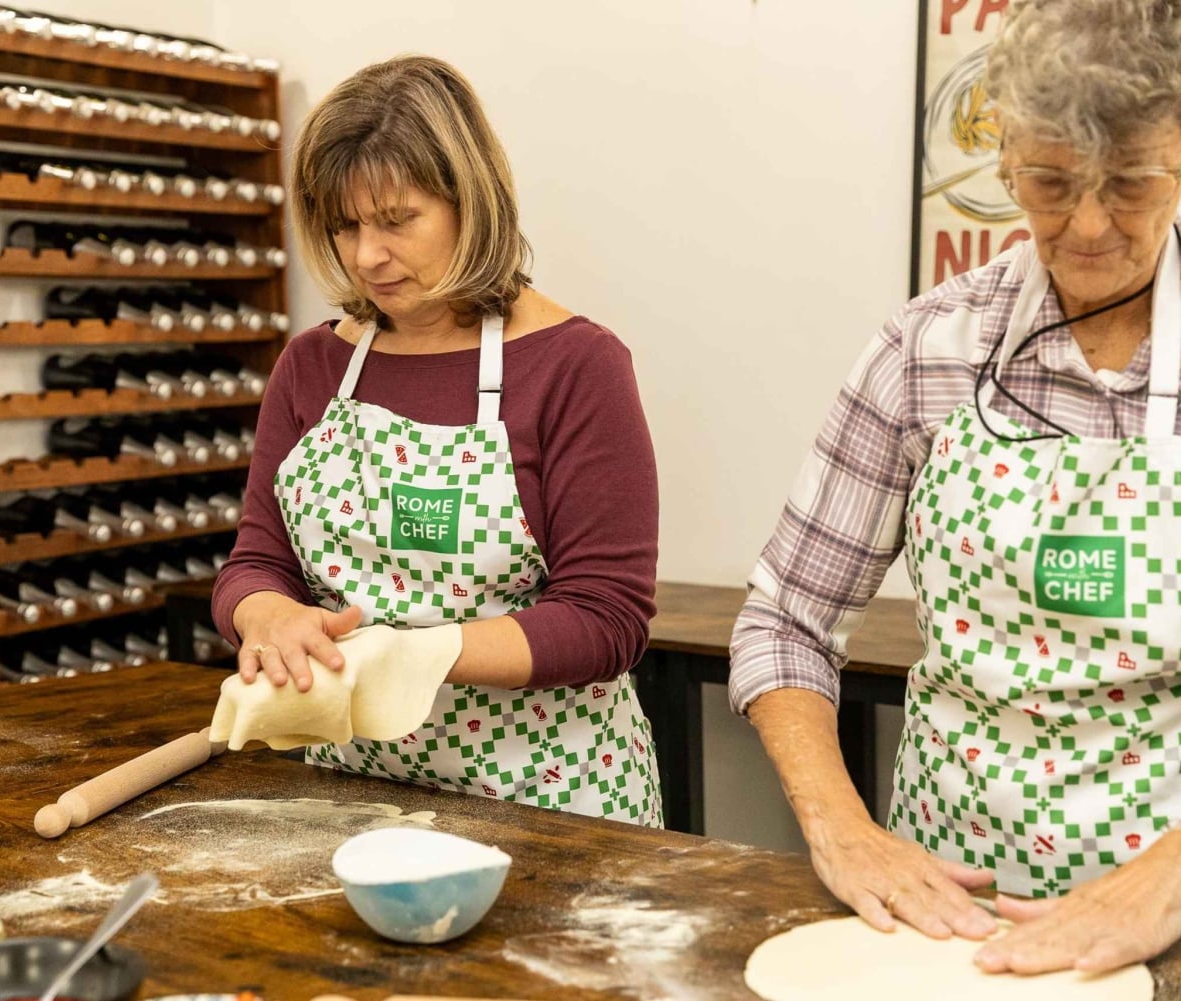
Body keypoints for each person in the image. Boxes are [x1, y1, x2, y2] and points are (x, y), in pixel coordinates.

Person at [732, 0, 1181, 974]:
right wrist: (843, 827)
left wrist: (1170, 876)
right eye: (1052, 183)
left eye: (1130, 184)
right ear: (1006, 157)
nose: (1090, 226)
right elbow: (786, 620)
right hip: (945, 921)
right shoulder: (930, 347)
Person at [211, 55, 662, 827]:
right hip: (356, 799)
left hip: (552, 807)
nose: (366, 256)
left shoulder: (577, 366)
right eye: (345, 225)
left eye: (396, 220)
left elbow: (606, 617)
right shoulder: (312, 367)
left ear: (469, 203)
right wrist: (265, 615)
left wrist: (422, 654)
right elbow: (256, 561)